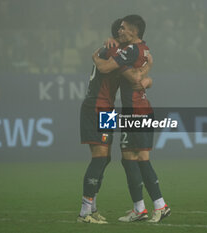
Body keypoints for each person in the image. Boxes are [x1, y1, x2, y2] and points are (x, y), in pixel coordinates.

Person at [93, 14, 170, 223]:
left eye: (123, 28)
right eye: (118, 28)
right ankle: (140, 209)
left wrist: (96, 55)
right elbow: (143, 76)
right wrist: (147, 76)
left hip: (136, 111)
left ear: (135, 30)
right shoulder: (144, 49)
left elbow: (105, 68)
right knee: (128, 159)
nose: (119, 31)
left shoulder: (130, 50)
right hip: (136, 109)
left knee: (140, 159)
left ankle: (159, 205)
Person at [78, 18, 152, 224]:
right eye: (121, 30)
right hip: (96, 105)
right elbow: (128, 74)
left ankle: (92, 208)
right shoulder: (114, 51)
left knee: (106, 157)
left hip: (106, 108)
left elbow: (137, 71)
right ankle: (85, 212)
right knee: (100, 157)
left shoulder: (115, 50)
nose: (123, 32)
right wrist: (144, 74)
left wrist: (145, 74)